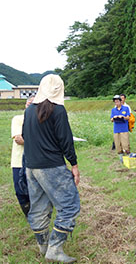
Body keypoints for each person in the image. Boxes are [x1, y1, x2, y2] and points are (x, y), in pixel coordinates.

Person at [22, 74, 80, 263]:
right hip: (52, 166)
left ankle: (43, 246)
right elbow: (65, 140)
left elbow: (25, 136)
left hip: (31, 166)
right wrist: (74, 164)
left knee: (38, 207)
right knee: (69, 205)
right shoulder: (58, 110)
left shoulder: (29, 110)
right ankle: (54, 249)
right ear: (59, 89)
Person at [11, 96, 34, 217]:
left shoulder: (41, 121)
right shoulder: (18, 119)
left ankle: (37, 215)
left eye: (34, 103)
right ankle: (27, 214)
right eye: (28, 103)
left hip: (36, 161)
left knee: (35, 189)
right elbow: (18, 139)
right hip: (18, 161)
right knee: (20, 190)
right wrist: (38, 139)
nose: (30, 105)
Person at [111, 95, 130, 162]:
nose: (116, 103)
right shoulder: (113, 110)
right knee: (118, 144)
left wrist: (122, 117)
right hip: (116, 129)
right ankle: (121, 159)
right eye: (115, 102)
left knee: (125, 144)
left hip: (124, 129)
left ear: (120, 101)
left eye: (118, 101)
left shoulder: (125, 108)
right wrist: (114, 118)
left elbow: (128, 117)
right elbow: (111, 119)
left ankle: (128, 157)